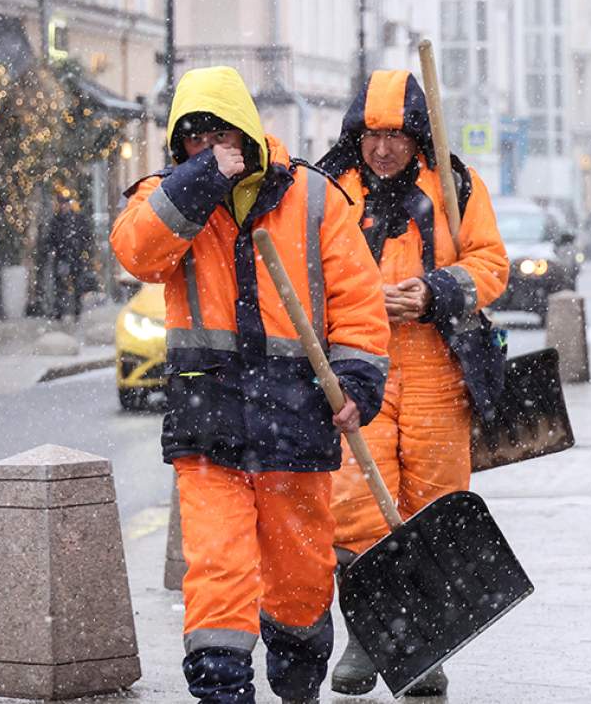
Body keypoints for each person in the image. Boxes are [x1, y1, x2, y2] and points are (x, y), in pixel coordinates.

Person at [110, 66, 390, 704]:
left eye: (219, 134)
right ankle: (222, 689)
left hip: (297, 418)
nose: (207, 147)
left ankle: (297, 682)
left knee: (300, 575)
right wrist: (203, 180)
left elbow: (357, 304)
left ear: (246, 130)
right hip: (208, 420)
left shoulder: (314, 199)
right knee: (218, 567)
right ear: (178, 147)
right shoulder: (170, 199)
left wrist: (356, 383)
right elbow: (137, 253)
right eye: (192, 138)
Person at [316, 69, 509, 696]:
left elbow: (491, 264)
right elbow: (305, 269)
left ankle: (422, 644)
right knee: (356, 506)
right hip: (358, 363)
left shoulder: (455, 184)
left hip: (437, 366)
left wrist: (433, 290)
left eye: (396, 135)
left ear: (417, 134)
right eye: (373, 135)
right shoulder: (329, 189)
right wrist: (367, 302)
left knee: (434, 504)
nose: (383, 148)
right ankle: (371, 636)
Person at [43, 196, 93, 320]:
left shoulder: (76, 220)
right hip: (63, 257)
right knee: (61, 285)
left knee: (76, 285)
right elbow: (51, 238)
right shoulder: (58, 220)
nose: (64, 207)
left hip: (74, 257)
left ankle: (75, 310)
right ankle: (61, 311)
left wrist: (82, 250)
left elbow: (85, 236)